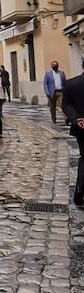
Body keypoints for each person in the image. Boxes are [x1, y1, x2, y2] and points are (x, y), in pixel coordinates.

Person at [62, 71, 84, 205]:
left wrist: (76, 119)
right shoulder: (72, 83)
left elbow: (65, 105)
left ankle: (79, 191)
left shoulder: (71, 83)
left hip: (81, 127)